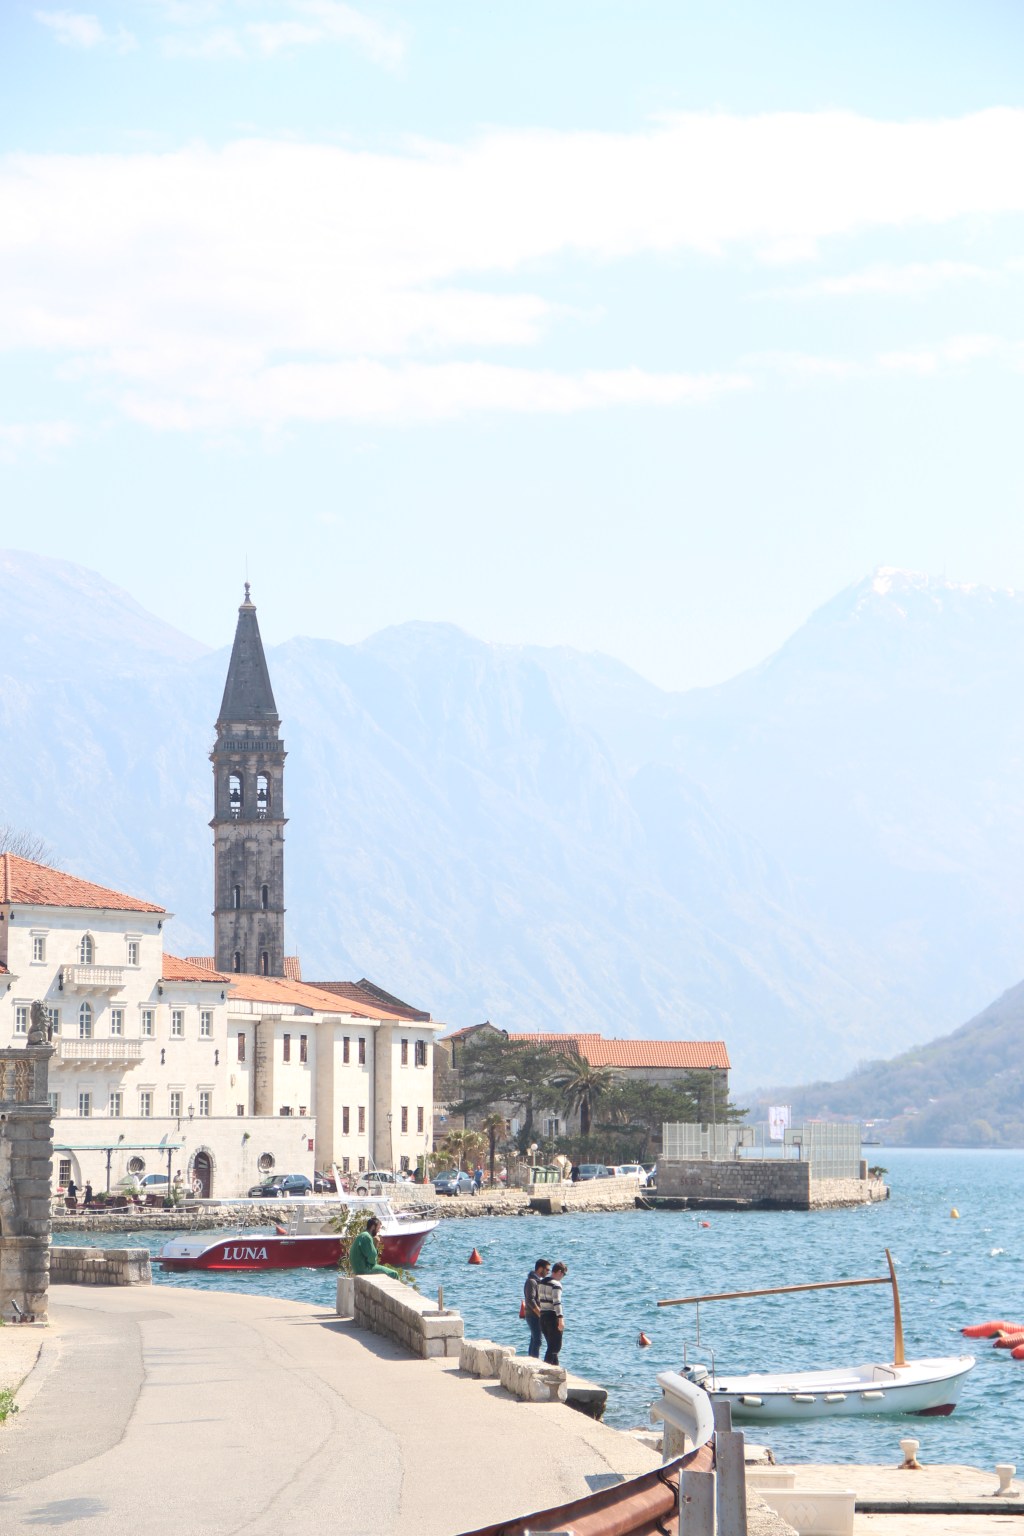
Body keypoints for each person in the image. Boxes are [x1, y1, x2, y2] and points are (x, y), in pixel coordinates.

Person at [538, 1261, 568, 1365]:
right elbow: (557, 1302)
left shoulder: (541, 1282)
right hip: (552, 1317)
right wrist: (561, 1319)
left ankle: (555, 1368)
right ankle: (545, 1370)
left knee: (551, 1345)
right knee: (555, 1347)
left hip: (542, 1316)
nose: (563, 1277)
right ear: (560, 1272)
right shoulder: (556, 1284)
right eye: (564, 1274)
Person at [523, 1258, 550, 1358]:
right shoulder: (531, 1282)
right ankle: (534, 1360)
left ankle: (531, 1359)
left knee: (534, 1339)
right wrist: (539, 1313)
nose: (548, 1272)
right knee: (537, 1340)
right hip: (532, 1315)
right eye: (547, 1269)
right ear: (540, 1269)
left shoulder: (538, 1281)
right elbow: (530, 1300)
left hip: (536, 1314)